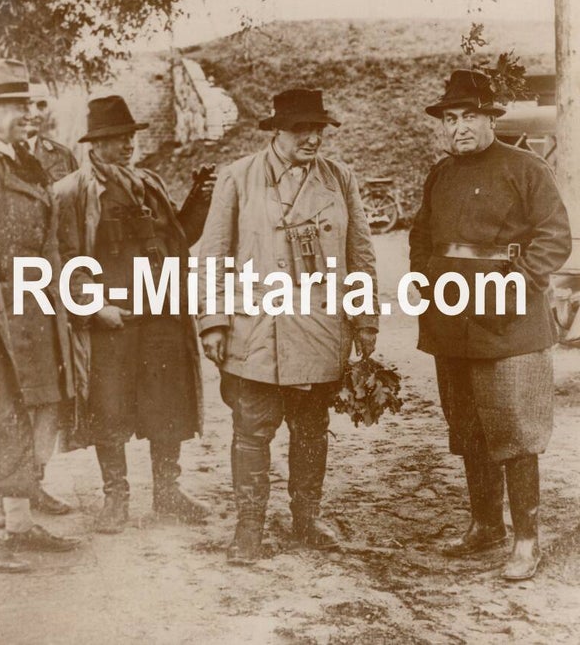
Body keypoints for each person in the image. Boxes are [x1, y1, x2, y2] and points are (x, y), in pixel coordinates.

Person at [198, 88, 379, 564]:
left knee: (311, 428)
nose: (312, 137)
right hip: (257, 329)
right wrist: (214, 320)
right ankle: (248, 529)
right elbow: (212, 255)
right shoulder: (237, 177)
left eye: (319, 129)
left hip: (320, 328)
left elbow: (360, 254)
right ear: (276, 130)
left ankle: (307, 520)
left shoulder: (340, 179)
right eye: (301, 128)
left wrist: (364, 319)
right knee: (252, 429)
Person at [409, 69, 572, 581]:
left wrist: (515, 284)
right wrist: (425, 280)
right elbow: (421, 235)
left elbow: (554, 239)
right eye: (450, 119)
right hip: (452, 318)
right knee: (469, 428)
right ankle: (486, 527)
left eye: (469, 117)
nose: (458, 128)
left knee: (515, 430)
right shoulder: (440, 174)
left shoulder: (526, 168)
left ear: (489, 119)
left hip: (509, 322)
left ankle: (527, 541)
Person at [55, 95, 213, 534]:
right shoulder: (73, 192)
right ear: (94, 144)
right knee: (110, 409)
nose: (125, 144)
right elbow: (63, 262)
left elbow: (178, 239)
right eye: (113, 138)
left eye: (128, 136)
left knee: (168, 403)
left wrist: (199, 201)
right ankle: (116, 498)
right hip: (114, 321)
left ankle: (167, 493)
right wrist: (94, 307)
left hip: (161, 313)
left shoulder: (150, 182)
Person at [0, 59, 79, 572]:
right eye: (18, 106)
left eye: (28, 105)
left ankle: (18, 525)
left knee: (24, 419)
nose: (28, 114)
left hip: (33, 311)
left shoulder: (23, 160)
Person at [25, 82, 78, 184]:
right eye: (28, 104)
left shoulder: (63, 155)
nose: (35, 113)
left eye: (41, 106)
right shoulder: (1, 156)